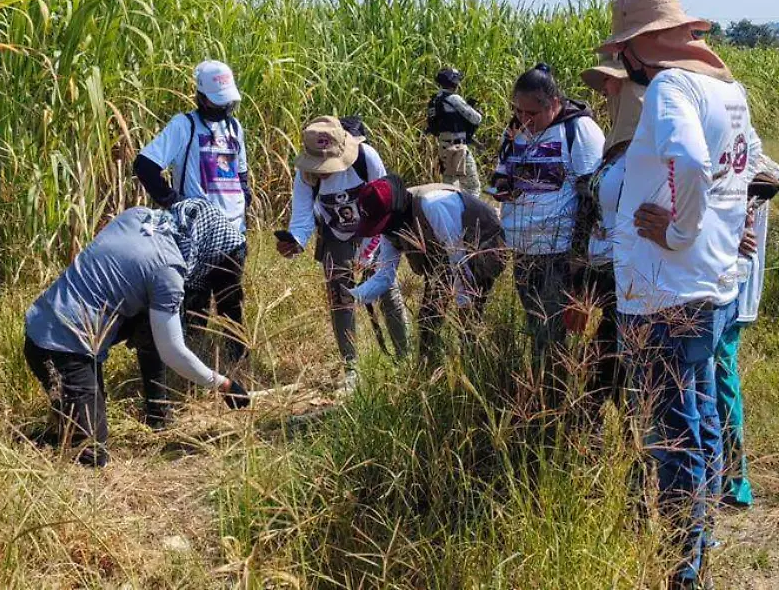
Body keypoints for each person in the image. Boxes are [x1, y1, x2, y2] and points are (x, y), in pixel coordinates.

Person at [597, 0, 755, 590]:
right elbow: (753, 169)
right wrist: (717, 232)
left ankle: (680, 568)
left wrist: (680, 233)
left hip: (666, 291)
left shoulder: (669, 87)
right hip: (711, 286)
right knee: (702, 412)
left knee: (671, 431)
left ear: (639, 47)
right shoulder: (729, 91)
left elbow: (688, 162)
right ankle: (701, 540)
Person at [23, 199, 251, 467]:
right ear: (207, 249)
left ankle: (72, 423)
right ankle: (35, 445)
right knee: (92, 454)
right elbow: (172, 351)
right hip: (62, 348)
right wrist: (223, 385)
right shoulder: (168, 271)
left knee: (149, 321)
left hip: (40, 324)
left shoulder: (139, 217)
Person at [490, 63, 605, 399]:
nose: (524, 119)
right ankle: (544, 394)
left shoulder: (579, 131)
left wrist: (578, 258)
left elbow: (591, 197)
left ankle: (553, 401)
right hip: (523, 248)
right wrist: (503, 186)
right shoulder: (514, 130)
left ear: (553, 102)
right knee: (534, 326)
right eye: (517, 110)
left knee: (552, 331)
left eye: (532, 113)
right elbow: (500, 173)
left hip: (558, 252)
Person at [275, 116, 411, 391]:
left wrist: (368, 253)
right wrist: (295, 243)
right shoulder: (305, 174)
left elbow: (386, 204)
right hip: (334, 232)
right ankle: (352, 370)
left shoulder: (365, 158)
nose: (322, 171)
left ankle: (404, 358)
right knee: (340, 298)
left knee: (386, 287)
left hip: (374, 228)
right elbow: (302, 218)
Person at [134, 60, 251, 363]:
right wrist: (176, 202)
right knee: (194, 306)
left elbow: (241, 174)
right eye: (217, 99)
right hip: (198, 234)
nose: (224, 106)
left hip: (232, 233)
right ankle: (191, 368)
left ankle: (236, 366)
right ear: (200, 95)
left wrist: (244, 202)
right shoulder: (184, 125)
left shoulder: (234, 126)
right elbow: (145, 165)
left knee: (232, 303)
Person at [348, 175, 507, 367]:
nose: (382, 230)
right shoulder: (391, 226)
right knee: (427, 320)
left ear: (394, 212)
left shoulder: (432, 205)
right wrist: (353, 296)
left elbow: (458, 260)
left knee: (469, 326)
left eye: (381, 224)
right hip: (446, 261)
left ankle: (475, 370)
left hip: (480, 247)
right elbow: (384, 275)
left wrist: (464, 305)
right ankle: (428, 372)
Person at [568, 55, 646, 408]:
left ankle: (633, 446)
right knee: (603, 357)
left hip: (632, 274)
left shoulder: (648, 146)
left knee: (617, 362)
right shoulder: (614, 147)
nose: (605, 91)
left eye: (612, 83)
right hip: (603, 267)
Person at [715, 157, 779, 508]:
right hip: (719, 286)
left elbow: (775, 178)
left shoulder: (745, 153)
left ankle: (734, 480)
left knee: (721, 380)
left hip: (732, 289)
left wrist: (743, 214)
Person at [427, 67, 483, 195]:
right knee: (472, 187)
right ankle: (470, 214)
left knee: (449, 186)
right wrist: (477, 110)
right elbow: (476, 118)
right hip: (457, 147)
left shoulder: (435, 100)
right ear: (454, 83)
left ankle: (450, 212)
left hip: (444, 147)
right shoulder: (453, 99)